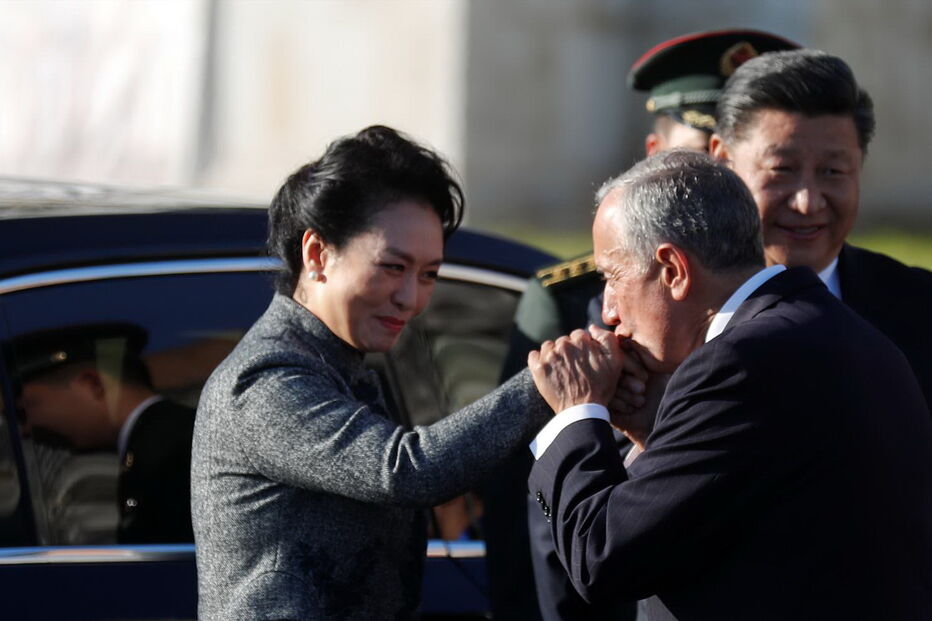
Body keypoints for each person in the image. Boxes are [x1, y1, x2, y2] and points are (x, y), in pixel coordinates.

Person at [527, 150, 932, 619]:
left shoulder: (741, 362)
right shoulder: (827, 330)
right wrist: (654, 431)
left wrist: (576, 411)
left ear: (673, 270)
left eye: (612, 278)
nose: (609, 311)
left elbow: (601, 558)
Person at [488, 29, 798, 621]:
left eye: (734, 161)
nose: (719, 181)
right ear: (655, 154)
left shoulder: (753, 347)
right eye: (700, 157)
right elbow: (531, 521)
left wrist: (583, 415)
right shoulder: (578, 301)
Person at [190, 125, 553, 620]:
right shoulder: (266, 379)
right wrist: (546, 383)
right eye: (392, 267)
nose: (411, 298)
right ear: (317, 255)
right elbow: (405, 470)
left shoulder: (341, 364)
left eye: (428, 275)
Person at [710, 48, 932, 409]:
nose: (808, 203)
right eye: (782, 170)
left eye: (833, 172)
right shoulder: (666, 308)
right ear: (723, 160)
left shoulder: (920, 309)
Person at [14, 323, 195, 543]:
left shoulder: (173, 452)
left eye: (25, 410)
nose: (25, 430)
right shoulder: (155, 441)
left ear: (93, 385)